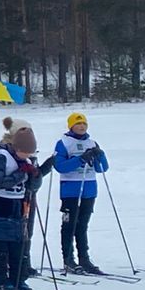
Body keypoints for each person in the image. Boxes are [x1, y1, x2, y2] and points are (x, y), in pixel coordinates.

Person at [0, 118, 41, 290]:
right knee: (0, 247)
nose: (27, 156)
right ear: (16, 147)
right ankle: (1, 281)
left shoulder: (28, 160)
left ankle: (19, 280)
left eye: (29, 153)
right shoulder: (1, 157)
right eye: (24, 152)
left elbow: (32, 186)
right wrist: (20, 173)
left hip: (18, 207)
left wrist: (35, 175)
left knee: (19, 247)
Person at [52, 112, 109, 274]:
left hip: (89, 190)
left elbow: (102, 168)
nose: (82, 126)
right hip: (71, 190)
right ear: (71, 126)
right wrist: (81, 159)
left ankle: (84, 258)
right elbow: (60, 166)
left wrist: (100, 155)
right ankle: (68, 259)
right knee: (70, 225)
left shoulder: (92, 142)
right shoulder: (64, 143)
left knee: (83, 226)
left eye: (84, 123)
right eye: (78, 124)